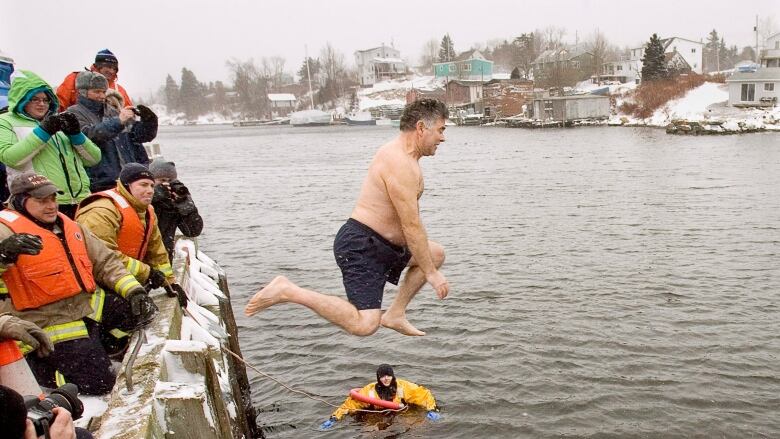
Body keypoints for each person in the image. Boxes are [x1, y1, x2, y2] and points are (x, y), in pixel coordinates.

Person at [245, 99, 450, 337]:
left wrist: (428, 266)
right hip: (362, 245)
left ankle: (395, 314)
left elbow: (411, 228)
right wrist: (431, 275)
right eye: (441, 130)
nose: (443, 138)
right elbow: (411, 225)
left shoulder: (408, 159)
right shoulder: (399, 162)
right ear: (421, 128)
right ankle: (287, 290)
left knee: (435, 254)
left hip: (387, 245)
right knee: (364, 325)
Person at [0, 172, 152, 395]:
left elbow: (106, 262)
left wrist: (135, 291)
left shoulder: (69, 226)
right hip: (41, 322)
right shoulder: (4, 231)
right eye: (42, 201)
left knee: (142, 311)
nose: (52, 206)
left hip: (82, 309)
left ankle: (97, 346)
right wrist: (3, 256)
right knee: (100, 384)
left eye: (53, 199)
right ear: (22, 201)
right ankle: (44, 371)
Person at [76, 163, 185, 308]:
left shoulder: (147, 211)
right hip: (97, 284)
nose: (150, 191)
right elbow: (102, 258)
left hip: (125, 279)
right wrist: (148, 273)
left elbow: (157, 251)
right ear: (127, 186)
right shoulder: (101, 211)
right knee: (129, 318)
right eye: (143, 185)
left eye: (152, 186)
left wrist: (170, 283)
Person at [0, 70, 101, 219]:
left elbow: (93, 158)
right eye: (35, 99)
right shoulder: (5, 121)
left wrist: (76, 135)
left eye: (46, 99)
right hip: (40, 203)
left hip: (80, 201)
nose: (42, 104)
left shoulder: (57, 120)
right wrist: (43, 132)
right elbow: (11, 158)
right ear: (22, 99)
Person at [66, 71, 155, 192]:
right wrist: (118, 122)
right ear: (82, 92)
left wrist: (149, 121)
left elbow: (139, 137)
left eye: (103, 91)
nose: (102, 96)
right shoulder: (73, 113)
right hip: (99, 183)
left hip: (127, 181)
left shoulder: (113, 111)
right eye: (97, 92)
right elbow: (89, 136)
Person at [319, 364, 440, 430]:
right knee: (370, 433)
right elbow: (349, 405)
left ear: (393, 376)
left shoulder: (404, 386)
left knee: (418, 429)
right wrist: (334, 418)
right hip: (375, 415)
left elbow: (423, 395)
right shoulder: (369, 390)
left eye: (388, 375)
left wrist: (432, 409)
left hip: (400, 414)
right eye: (383, 376)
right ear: (378, 378)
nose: (386, 378)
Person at [149, 158, 203, 259]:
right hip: (143, 257)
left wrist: (185, 205)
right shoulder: (143, 197)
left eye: (170, 181)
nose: (166, 184)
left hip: (164, 257)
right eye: (162, 180)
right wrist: (155, 195)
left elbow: (193, 231)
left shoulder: (173, 203)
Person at [56, 49, 132, 111]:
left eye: (115, 68)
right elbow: (59, 104)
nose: (112, 71)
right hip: (76, 126)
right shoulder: (75, 79)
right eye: (108, 67)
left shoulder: (119, 90)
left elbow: (129, 114)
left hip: (110, 128)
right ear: (98, 66)